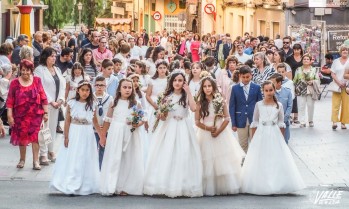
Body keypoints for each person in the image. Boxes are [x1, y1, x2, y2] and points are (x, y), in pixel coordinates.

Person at [144, 70, 203, 198]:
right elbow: (163, 117)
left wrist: (188, 92)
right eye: (175, 80)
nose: (177, 83)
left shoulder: (187, 95)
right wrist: (161, 113)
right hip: (169, 127)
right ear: (171, 82)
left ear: (184, 82)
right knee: (167, 153)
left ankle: (182, 184)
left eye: (180, 80)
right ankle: (165, 184)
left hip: (183, 126)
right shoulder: (166, 96)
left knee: (183, 153)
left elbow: (194, 108)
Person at [241, 80, 305, 195]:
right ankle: (261, 183)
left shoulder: (278, 105)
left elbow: (281, 122)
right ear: (263, 91)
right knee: (261, 157)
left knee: (274, 158)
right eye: (266, 90)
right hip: (261, 133)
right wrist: (253, 138)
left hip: (274, 133)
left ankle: (277, 183)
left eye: (271, 90)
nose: (269, 92)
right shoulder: (258, 104)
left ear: (274, 90)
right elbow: (254, 122)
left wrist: (281, 139)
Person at [195, 73, 244, 195]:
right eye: (205, 86)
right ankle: (209, 186)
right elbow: (196, 121)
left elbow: (227, 118)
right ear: (202, 88)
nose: (207, 88)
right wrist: (208, 128)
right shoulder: (200, 102)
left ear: (213, 87)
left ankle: (223, 185)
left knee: (222, 161)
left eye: (209, 86)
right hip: (205, 132)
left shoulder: (220, 100)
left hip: (220, 131)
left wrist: (218, 130)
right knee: (207, 161)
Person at [50, 80, 101, 195]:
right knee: (74, 155)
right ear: (78, 90)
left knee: (86, 156)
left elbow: (95, 122)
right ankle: (71, 181)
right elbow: (67, 121)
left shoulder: (93, 104)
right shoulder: (72, 103)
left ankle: (86, 183)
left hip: (87, 132)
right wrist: (66, 136)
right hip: (75, 131)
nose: (85, 92)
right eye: (83, 90)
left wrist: (102, 136)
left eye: (87, 90)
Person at [99, 78, 145, 196]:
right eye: (124, 87)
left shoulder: (136, 103)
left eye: (130, 87)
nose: (127, 90)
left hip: (131, 133)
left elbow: (142, 119)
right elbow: (108, 120)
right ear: (119, 89)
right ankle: (113, 184)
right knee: (115, 158)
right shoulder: (113, 103)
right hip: (116, 132)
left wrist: (137, 123)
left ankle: (127, 186)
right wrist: (103, 136)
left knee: (129, 158)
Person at [6, 59, 48, 170]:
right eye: (23, 70)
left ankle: (36, 161)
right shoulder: (14, 83)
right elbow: (10, 100)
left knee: (35, 138)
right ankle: (22, 159)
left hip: (35, 115)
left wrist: (46, 112)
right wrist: (9, 115)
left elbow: (43, 97)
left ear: (31, 70)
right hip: (20, 116)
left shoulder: (37, 81)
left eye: (27, 70)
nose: (25, 72)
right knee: (22, 137)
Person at [34, 47, 66, 165]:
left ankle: (51, 150)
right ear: (45, 57)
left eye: (55, 56)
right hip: (45, 104)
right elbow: (40, 87)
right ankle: (43, 153)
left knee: (52, 129)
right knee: (44, 129)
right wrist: (51, 100)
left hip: (57, 104)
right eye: (51, 56)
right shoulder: (39, 70)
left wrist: (61, 99)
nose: (54, 58)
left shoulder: (57, 69)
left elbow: (63, 85)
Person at [229, 66, 263, 153]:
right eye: (243, 77)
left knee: (255, 142)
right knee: (242, 144)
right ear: (240, 76)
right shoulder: (235, 88)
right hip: (240, 120)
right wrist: (233, 123)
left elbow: (260, 104)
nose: (245, 79)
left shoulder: (256, 87)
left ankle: (253, 162)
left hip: (254, 119)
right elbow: (232, 106)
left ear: (251, 75)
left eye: (247, 77)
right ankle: (244, 163)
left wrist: (261, 119)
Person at [293, 54, 320, 128]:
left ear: (310, 61)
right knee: (301, 106)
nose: (306, 60)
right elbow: (295, 80)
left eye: (308, 59)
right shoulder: (298, 69)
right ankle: (302, 122)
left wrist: (313, 81)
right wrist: (294, 89)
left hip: (310, 89)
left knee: (310, 106)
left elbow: (318, 80)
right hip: (300, 89)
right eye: (304, 59)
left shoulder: (314, 69)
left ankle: (310, 120)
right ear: (302, 60)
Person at [93, 76, 113, 170]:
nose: (99, 87)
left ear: (105, 86)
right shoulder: (91, 98)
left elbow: (110, 114)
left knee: (103, 150)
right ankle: (94, 169)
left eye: (102, 85)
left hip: (106, 129)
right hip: (93, 129)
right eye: (97, 85)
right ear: (94, 86)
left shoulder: (109, 98)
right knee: (93, 149)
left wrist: (104, 128)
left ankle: (102, 169)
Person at [269, 73, 293, 144]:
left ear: (279, 83)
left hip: (285, 121)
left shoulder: (288, 92)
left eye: (273, 82)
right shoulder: (269, 93)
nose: (271, 84)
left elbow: (289, 106)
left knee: (285, 141)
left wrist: (284, 119)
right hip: (273, 122)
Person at [330, 45, 349, 130]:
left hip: (347, 86)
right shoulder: (336, 61)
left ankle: (343, 123)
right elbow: (332, 74)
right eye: (343, 50)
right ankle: (334, 122)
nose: (345, 51)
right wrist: (339, 83)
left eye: (346, 50)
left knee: (346, 105)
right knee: (335, 104)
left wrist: (345, 83)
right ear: (340, 52)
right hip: (337, 86)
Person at [145, 60, 169, 129]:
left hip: (164, 103)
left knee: (162, 125)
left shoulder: (168, 80)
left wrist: (164, 105)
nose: (162, 70)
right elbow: (147, 95)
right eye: (160, 68)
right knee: (152, 123)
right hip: (153, 103)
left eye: (164, 68)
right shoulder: (152, 80)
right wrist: (154, 105)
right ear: (157, 69)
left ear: (167, 69)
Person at [286, 43, 303, 124]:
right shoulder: (289, 58)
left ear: (300, 50)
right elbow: (286, 68)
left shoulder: (303, 58)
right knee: (292, 97)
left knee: (299, 98)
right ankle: (290, 115)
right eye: (295, 49)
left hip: (301, 80)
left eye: (298, 49)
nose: (296, 51)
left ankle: (296, 116)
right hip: (291, 79)